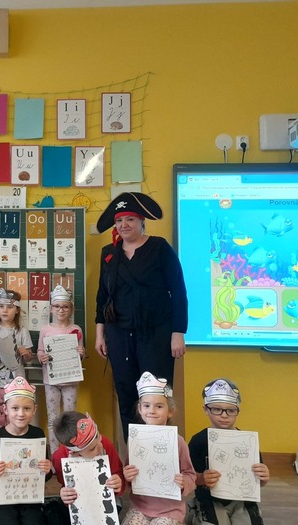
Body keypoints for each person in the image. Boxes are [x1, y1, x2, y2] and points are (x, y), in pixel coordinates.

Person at [94, 192, 188, 441]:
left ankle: (160, 450)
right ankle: (136, 453)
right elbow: (102, 297)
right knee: (126, 394)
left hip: (156, 333)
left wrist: (178, 333)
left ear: (141, 221)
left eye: (130, 219)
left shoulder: (159, 247)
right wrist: (100, 334)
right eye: (119, 220)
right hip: (118, 334)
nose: (124, 225)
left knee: (156, 396)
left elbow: (178, 291)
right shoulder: (108, 253)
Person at [187, 378, 270, 525]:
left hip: (242, 499)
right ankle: (194, 510)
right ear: (206, 409)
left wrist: (263, 478)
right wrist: (201, 478)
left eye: (231, 410)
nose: (224, 415)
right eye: (216, 409)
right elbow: (189, 476)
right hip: (210, 498)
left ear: (237, 411)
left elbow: (259, 480)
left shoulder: (247, 441)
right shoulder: (198, 441)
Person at [122, 371, 195, 525]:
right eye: (146, 406)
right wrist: (127, 476)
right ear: (140, 409)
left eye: (159, 406)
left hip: (170, 509)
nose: (152, 411)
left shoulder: (178, 441)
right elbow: (128, 473)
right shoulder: (135, 440)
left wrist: (184, 483)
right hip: (140, 507)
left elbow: (190, 474)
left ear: (170, 411)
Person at [0, 376, 52, 525]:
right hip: (3, 499)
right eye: (15, 408)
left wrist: (47, 470)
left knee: (35, 522)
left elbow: (45, 476)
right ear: (5, 409)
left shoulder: (38, 434)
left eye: (26, 408)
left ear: (34, 409)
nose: (21, 414)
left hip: (30, 498)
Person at [36, 285, 85, 452]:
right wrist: (41, 357)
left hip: (70, 380)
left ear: (71, 309)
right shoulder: (45, 330)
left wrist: (82, 352)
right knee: (53, 419)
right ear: (51, 308)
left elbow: (80, 354)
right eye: (57, 306)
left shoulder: (76, 329)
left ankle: (71, 451)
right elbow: (40, 350)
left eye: (65, 306)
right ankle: (55, 453)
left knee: (70, 418)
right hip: (51, 381)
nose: (61, 310)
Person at [0, 289, 34, 433]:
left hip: (16, 383)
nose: (5, 310)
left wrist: (26, 353)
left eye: (10, 307)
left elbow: (29, 357)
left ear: (17, 310)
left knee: (15, 419)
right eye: (1, 306)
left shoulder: (22, 331)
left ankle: (14, 444)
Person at [52, 411, 125, 506]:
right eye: (92, 449)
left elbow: (118, 472)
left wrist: (118, 482)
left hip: (107, 500)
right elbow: (65, 485)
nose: (100, 446)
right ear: (75, 453)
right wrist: (65, 493)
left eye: (98, 437)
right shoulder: (59, 458)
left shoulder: (106, 444)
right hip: (80, 504)